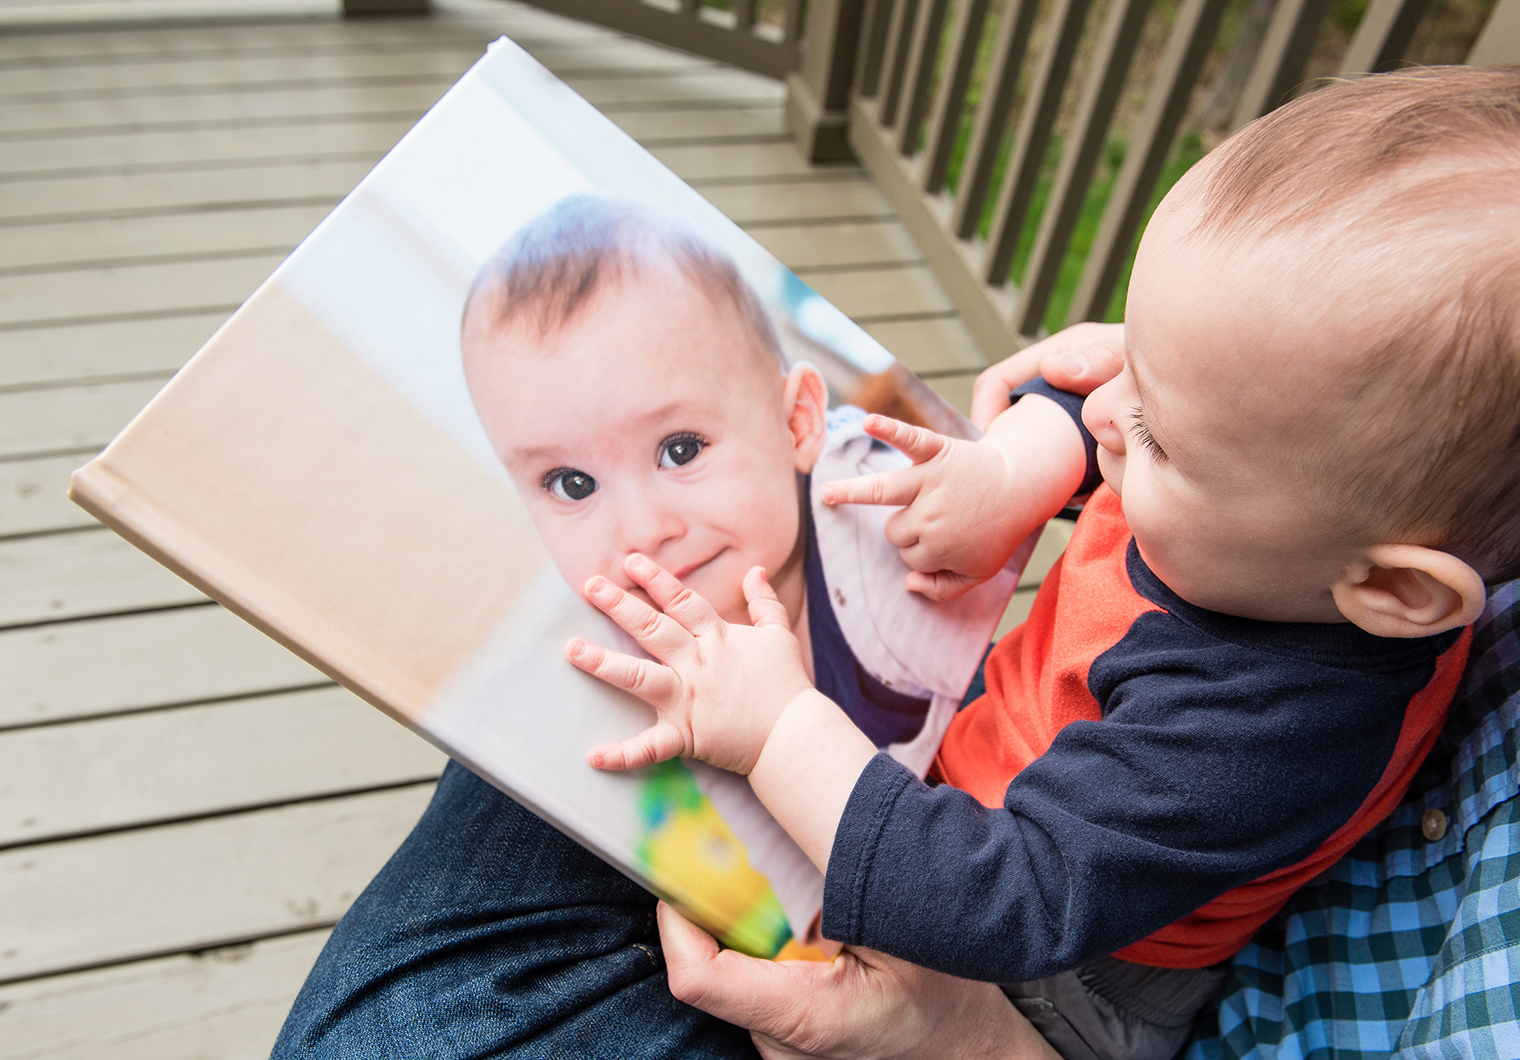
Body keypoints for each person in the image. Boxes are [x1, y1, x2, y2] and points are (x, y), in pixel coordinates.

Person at [270, 69, 1520, 1059]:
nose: (1105, 408)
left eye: (1161, 431)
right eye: (1133, 350)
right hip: (971, 781)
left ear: (1393, 593)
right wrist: (1019, 462)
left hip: (1039, 979)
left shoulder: (1259, 727)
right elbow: (1084, 398)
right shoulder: (1285, 502)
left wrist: (777, 729)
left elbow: (1000, 898)